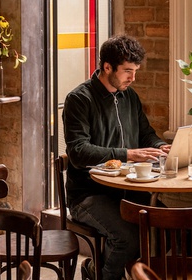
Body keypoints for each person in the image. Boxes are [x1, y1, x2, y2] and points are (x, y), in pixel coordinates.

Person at [62, 35, 170, 280]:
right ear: (107, 67)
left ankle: (115, 271)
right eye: (128, 71)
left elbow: (146, 134)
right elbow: (78, 152)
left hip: (127, 188)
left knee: (169, 228)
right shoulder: (79, 99)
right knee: (128, 238)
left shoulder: (129, 96)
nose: (133, 78)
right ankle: (97, 273)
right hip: (88, 194)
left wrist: (161, 147)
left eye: (135, 71)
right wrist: (128, 155)